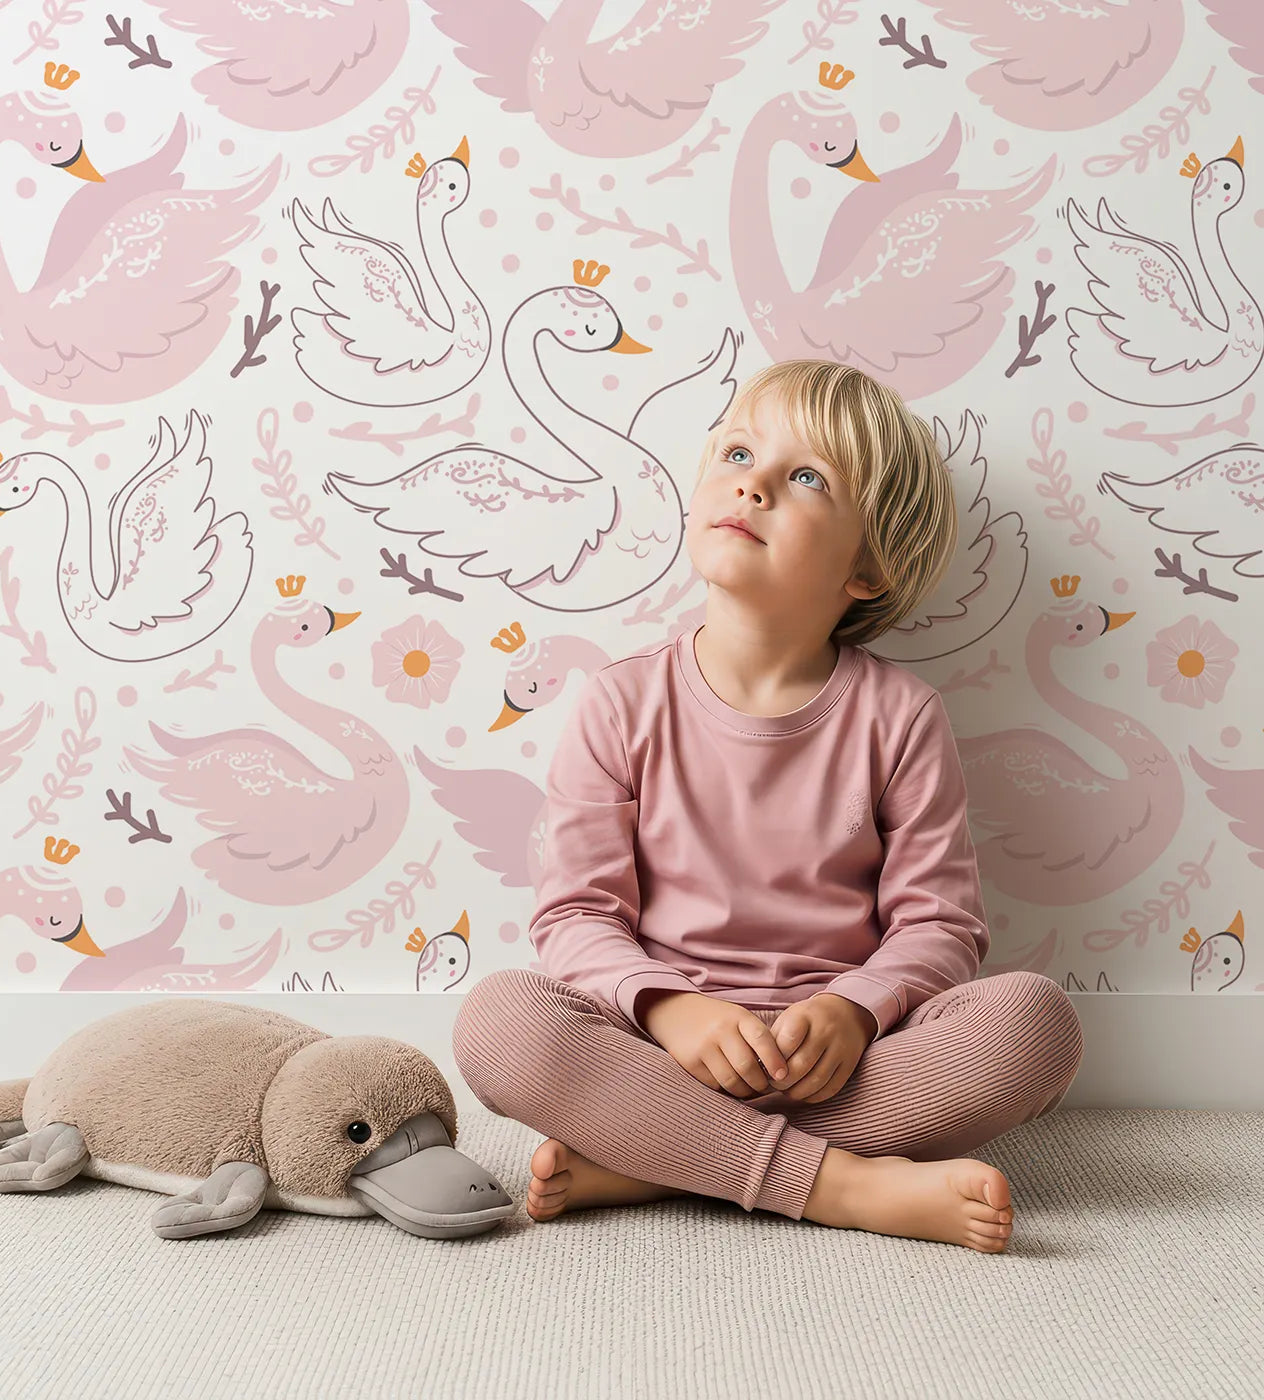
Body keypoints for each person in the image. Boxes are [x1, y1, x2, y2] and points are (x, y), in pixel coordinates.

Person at [451, 359, 1084, 1252]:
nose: (751, 482)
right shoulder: (619, 704)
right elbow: (577, 917)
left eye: (807, 478)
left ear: (866, 568)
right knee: (500, 1022)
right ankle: (838, 1186)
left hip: (842, 1063)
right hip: (661, 1051)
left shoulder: (900, 718)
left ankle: (662, 1157)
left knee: (1034, 1023)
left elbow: (939, 926)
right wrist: (674, 1011)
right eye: (740, 451)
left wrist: (854, 1010)